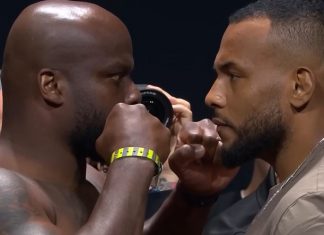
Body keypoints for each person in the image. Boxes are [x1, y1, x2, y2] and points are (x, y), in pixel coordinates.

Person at [0, 1, 238, 234]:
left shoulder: (92, 180)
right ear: (52, 85)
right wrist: (134, 154)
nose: (134, 94)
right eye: (115, 77)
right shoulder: (4, 190)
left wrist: (191, 198)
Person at [198, 0, 324, 234]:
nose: (212, 97)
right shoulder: (292, 193)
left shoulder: (309, 210)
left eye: (233, 76)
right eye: (218, 76)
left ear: (299, 87)